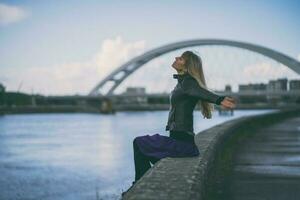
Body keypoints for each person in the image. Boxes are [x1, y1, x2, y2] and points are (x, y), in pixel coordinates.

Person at [122, 50, 236, 197]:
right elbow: (198, 91)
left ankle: (138, 186)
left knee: (139, 143)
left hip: (183, 145)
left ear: (187, 66)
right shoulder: (182, 82)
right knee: (142, 146)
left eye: (181, 58)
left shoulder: (188, 82)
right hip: (180, 141)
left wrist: (220, 100)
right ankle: (140, 184)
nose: (176, 58)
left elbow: (200, 91)